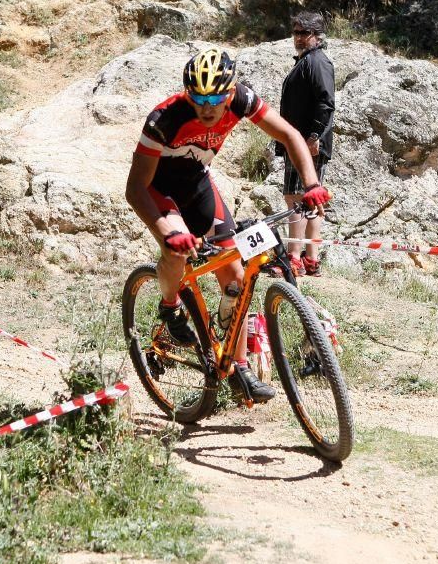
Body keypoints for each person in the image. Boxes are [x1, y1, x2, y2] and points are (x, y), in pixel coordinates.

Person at [125, 47, 332, 402]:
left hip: (195, 183)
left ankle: (239, 368)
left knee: (236, 277)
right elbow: (135, 188)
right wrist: (168, 233)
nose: (207, 108)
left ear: (231, 91)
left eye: (216, 97)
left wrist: (311, 184)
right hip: (157, 187)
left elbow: (291, 136)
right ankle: (170, 305)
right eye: (198, 98)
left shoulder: (243, 100)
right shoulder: (165, 118)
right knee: (176, 248)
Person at [275, 10, 335, 277]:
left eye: (304, 33)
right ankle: (310, 260)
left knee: (296, 199)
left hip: (306, 143)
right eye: (296, 32)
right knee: (308, 201)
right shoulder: (307, 61)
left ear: (317, 36)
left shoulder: (317, 62)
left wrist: (313, 137)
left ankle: (295, 259)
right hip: (300, 142)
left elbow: (326, 103)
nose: (298, 37)